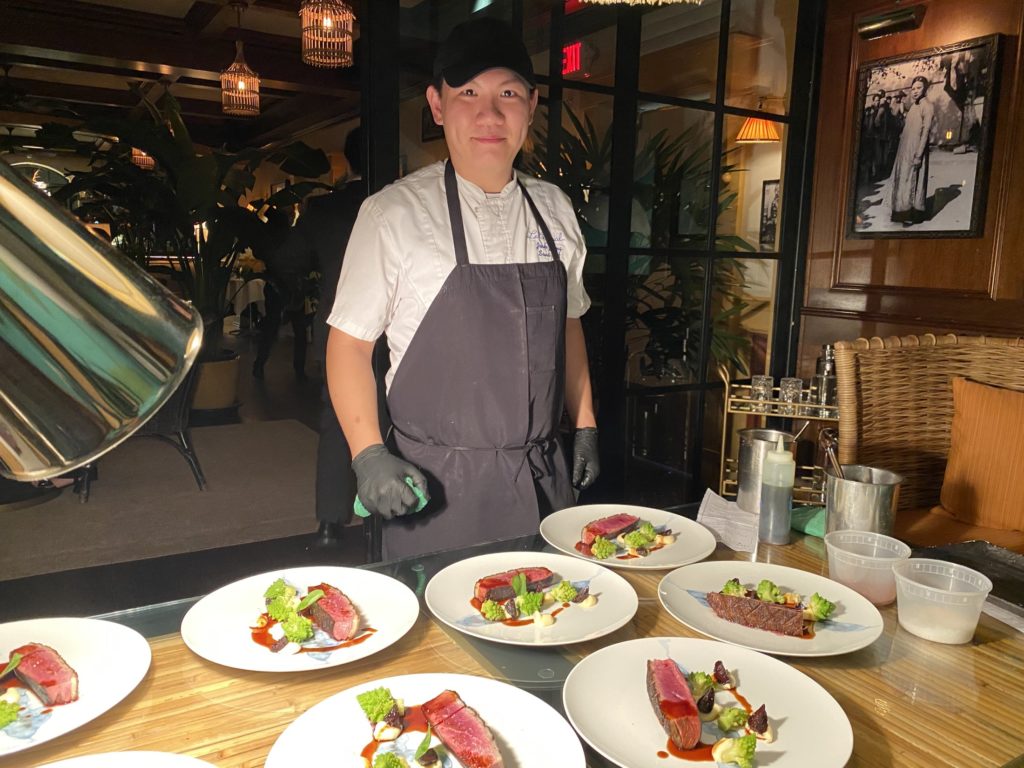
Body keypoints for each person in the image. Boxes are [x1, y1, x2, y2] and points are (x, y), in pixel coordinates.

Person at [325, 16, 600, 560]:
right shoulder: (392, 214)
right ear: (436, 104)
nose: (489, 113)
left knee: (548, 625)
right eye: (468, 92)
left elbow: (568, 327)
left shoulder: (555, 210)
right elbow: (349, 346)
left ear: (532, 104)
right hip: (435, 490)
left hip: (544, 483)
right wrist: (368, 454)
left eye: (508, 93)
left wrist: (585, 424)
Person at [299, 128, 370, 546]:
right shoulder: (406, 205)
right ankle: (391, 516)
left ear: (349, 161)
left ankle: (330, 523)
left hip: (338, 324)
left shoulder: (323, 209)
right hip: (402, 328)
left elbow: (286, 259)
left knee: (337, 419)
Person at [890, 75, 935, 225]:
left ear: (925, 89)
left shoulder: (927, 106)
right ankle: (900, 210)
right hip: (905, 149)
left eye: (919, 88)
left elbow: (925, 132)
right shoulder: (913, 106)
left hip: (916, 150)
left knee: (913, 179)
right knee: (902, 178)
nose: (915, 91)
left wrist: (919, 155)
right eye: (913, 88)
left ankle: (912, 213)